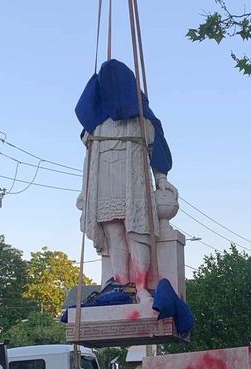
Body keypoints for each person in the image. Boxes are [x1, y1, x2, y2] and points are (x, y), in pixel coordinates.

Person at [75, 59, 177, 301]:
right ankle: (122, 288)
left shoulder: (142, 121)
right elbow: (88, 159)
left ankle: (141, 288)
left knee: (137, 232)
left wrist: (161, 176)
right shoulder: (95, 127)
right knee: (115, 237)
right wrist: (85, 192)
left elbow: (156, 150)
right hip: (105, 186)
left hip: (134, 183)